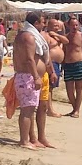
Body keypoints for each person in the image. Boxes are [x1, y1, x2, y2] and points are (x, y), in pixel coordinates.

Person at [12, 11, 56, 150]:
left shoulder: (26, 35)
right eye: (42, 22)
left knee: (30, 109)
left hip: (28, 76)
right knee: (27, 110)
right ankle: (24, 140)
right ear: (36, 23)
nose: (44, 25)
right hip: (28, 77)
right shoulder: (28, 37)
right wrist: (36, 77)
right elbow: (30, 59)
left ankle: (32, 139)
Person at [61, 17, 82, 117]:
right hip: (68, 65)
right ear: (68, 26)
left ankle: (76, 110)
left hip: (79, 64)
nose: (75, 27)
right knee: (69, 90)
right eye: (72, 25)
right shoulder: (66, 37)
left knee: (79, 88)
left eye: (76, 25)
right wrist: (62, 64)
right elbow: (63, 51)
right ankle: (74, 108)